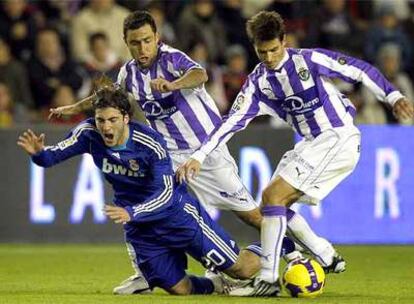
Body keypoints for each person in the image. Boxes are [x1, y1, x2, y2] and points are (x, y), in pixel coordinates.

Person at [48, 10, 344, 294]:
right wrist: (72, 109)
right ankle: (145, 273)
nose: (142, 47)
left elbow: (199, 74)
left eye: (147, 40)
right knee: (141, 199)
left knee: (251, 215)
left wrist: (173, 84)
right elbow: (107, 96)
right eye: (135, 42)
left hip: (205, 153)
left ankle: (291, 249)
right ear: (126, 43)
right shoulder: (129, 73)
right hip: (168, 156)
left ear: (157, 37)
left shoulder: (173, 58)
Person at [177, 10, 414, 296]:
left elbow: (360, 70)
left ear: (284, 42)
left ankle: (267, 277)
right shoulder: (258, 84)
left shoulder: (309, 60)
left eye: (274, 50)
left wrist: (393, 95)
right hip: (311, 142)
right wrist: (200, 156)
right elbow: (230, 122)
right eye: (262, 52)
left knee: (273, 197)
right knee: (272, 206)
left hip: (337, 136)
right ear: (255, 48)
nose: (269, 57)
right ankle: (325, 255)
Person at [17, 87, 283, 296]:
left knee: (243, 270)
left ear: (125, 118)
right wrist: (39, 154)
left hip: (178, 215)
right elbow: (53, 157)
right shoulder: (89, 133)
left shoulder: (150, 144)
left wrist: (131, 211)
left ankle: (277, 244)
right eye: (100, 120)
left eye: (112, 120)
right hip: (141, 226)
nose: (106, 127)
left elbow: (166, 195)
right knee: (179, 289)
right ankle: (214, 284)